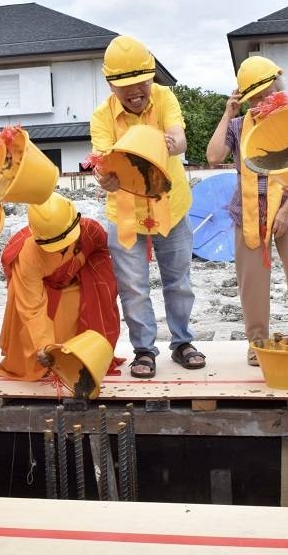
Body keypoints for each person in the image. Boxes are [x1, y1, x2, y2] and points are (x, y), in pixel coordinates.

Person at [89, 35, 203, 378]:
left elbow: (178, 135)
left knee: (178, 281)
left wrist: (175, 141)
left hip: (172, 204)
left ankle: (183, 342)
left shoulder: (165, 98)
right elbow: (102, 162)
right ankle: (144, 350)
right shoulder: (101, 117)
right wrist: (104, 178)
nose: (136, 90)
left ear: (152, 76)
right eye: (125, 85)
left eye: (142, 82)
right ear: (110, 84)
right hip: (125, 211)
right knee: (133, 287)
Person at [205, 56, 288, 366]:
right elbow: (213, 156)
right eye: (255, 95)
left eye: (268, 91)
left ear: (279, 87)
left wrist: (285, 209)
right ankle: (257, 343)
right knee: (251, 280)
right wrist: (228, 113)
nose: (263, 99)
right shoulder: (240, 126)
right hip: (248, 210)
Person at [0, 193, 123, 381]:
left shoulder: (90, 230)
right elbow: (32, 307)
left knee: (96, 289)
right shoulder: (27, 255)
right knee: (36, 346)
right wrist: (44, 347)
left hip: (73, 284)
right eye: (56, 245)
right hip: (39, 293)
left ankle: (88, 353)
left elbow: (102, 253)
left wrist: (92, 278)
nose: (63, 248)